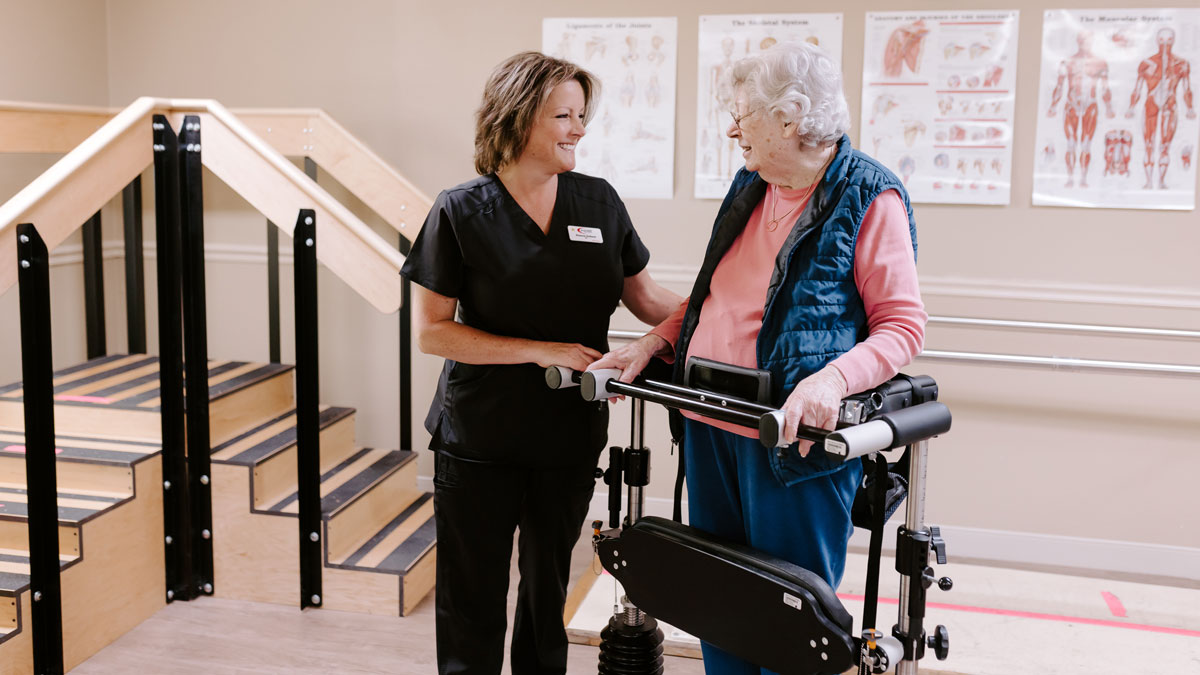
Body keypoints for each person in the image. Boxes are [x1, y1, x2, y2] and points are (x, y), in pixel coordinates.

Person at [590, 41, 927, 674]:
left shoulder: (869, 195)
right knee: (718, 606)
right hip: (708, 422)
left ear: (790, 117)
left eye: (742, 114)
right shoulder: (752, 184)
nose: (732, 129)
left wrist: (831, 381)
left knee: (787, 623)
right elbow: (713, 296)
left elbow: (902, 327)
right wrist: (654, 341)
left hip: (789, 444)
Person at [399, 51, 681, 675]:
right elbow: (432, 334)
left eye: (582, 115)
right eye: (563, 116)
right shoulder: (460, 210)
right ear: (519, 115)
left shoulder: (598, 203)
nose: (579, 128)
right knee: (472, 599)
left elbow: (648, 299)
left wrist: (723, 307)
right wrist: (538, 350)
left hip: (568, 435)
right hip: (480, 438)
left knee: (545, 592)